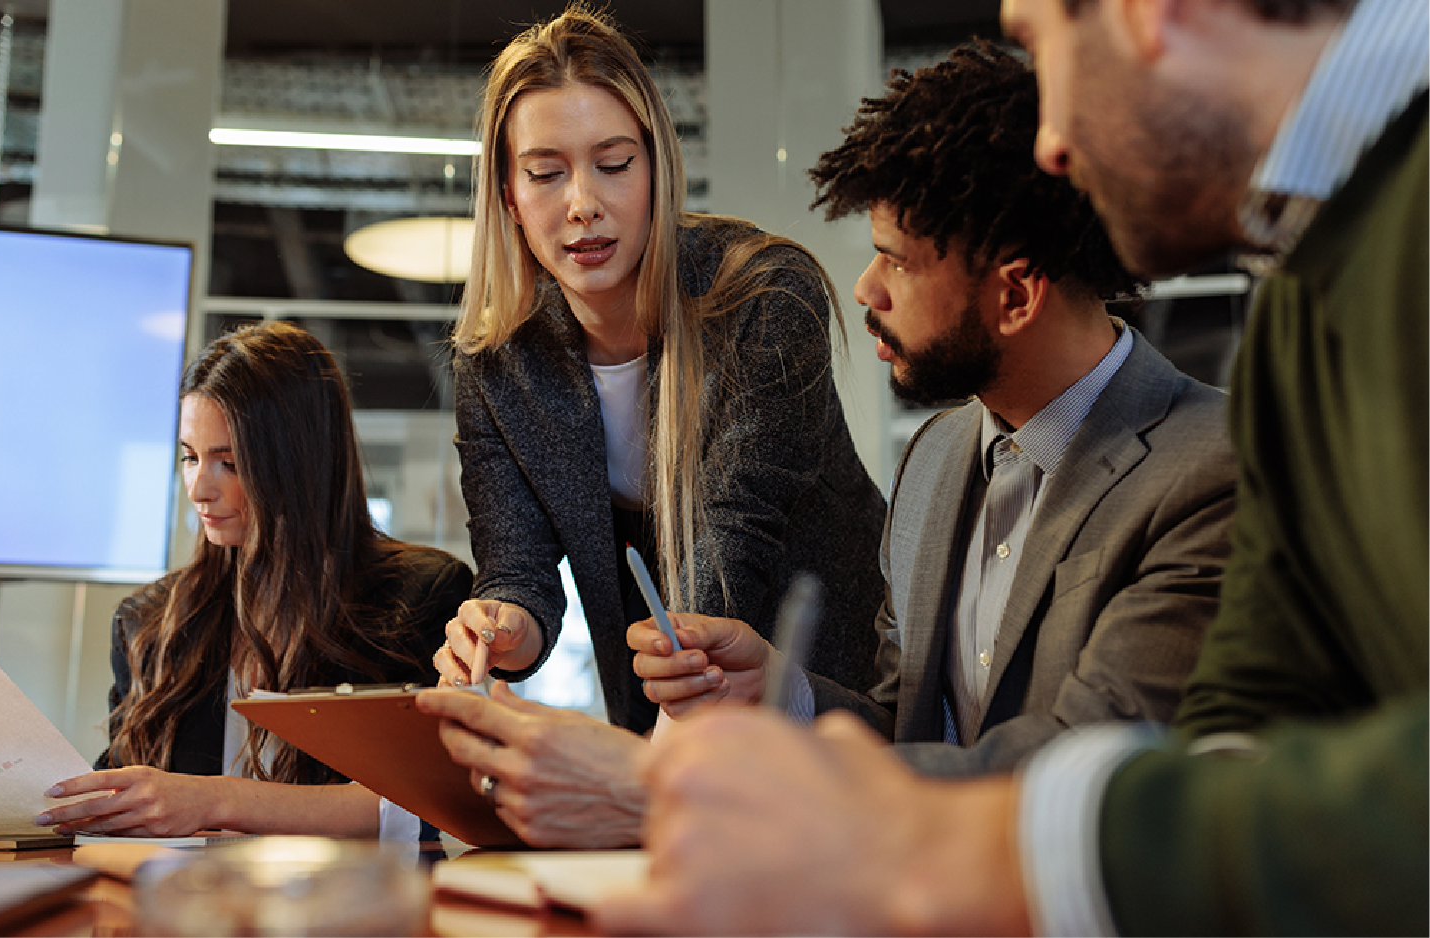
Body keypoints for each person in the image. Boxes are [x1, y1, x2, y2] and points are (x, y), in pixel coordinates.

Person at [596, 0, 1427, 933]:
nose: (1055, 141)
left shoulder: (1217, 452)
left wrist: (790, 805)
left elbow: (1131, 755)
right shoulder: (1295, 317)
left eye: (1039, 39)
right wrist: (779, 699)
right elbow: (1231, 739)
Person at [630, 42, 1234, 777]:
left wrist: (799, 786)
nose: (864, 289)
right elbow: (906, 725)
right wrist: (776, 691)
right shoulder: (935, 457)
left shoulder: (1214, 470)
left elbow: (1083, 762)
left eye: (898, 261)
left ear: (1014, 296)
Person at [418, 3, 886, 847]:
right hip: (664, 731)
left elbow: (728, 550)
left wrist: (642, 783)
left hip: (831, 708)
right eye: (547, 172)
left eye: (613, 164)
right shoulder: (497, 363)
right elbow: (518, 572)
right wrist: (501, 627)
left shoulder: (761, 296)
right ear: (508, 195)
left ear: (657, 170)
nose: (584, 205)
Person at [37, 322, 472, 838]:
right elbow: (124, 788)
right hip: (175, 911)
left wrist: (214, 800)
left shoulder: (418, 595)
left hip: (350, 909)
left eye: (229, 462)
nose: (199, 488)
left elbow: (421, 806)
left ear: (298, 462)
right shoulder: (149, 621)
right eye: (190, 457)